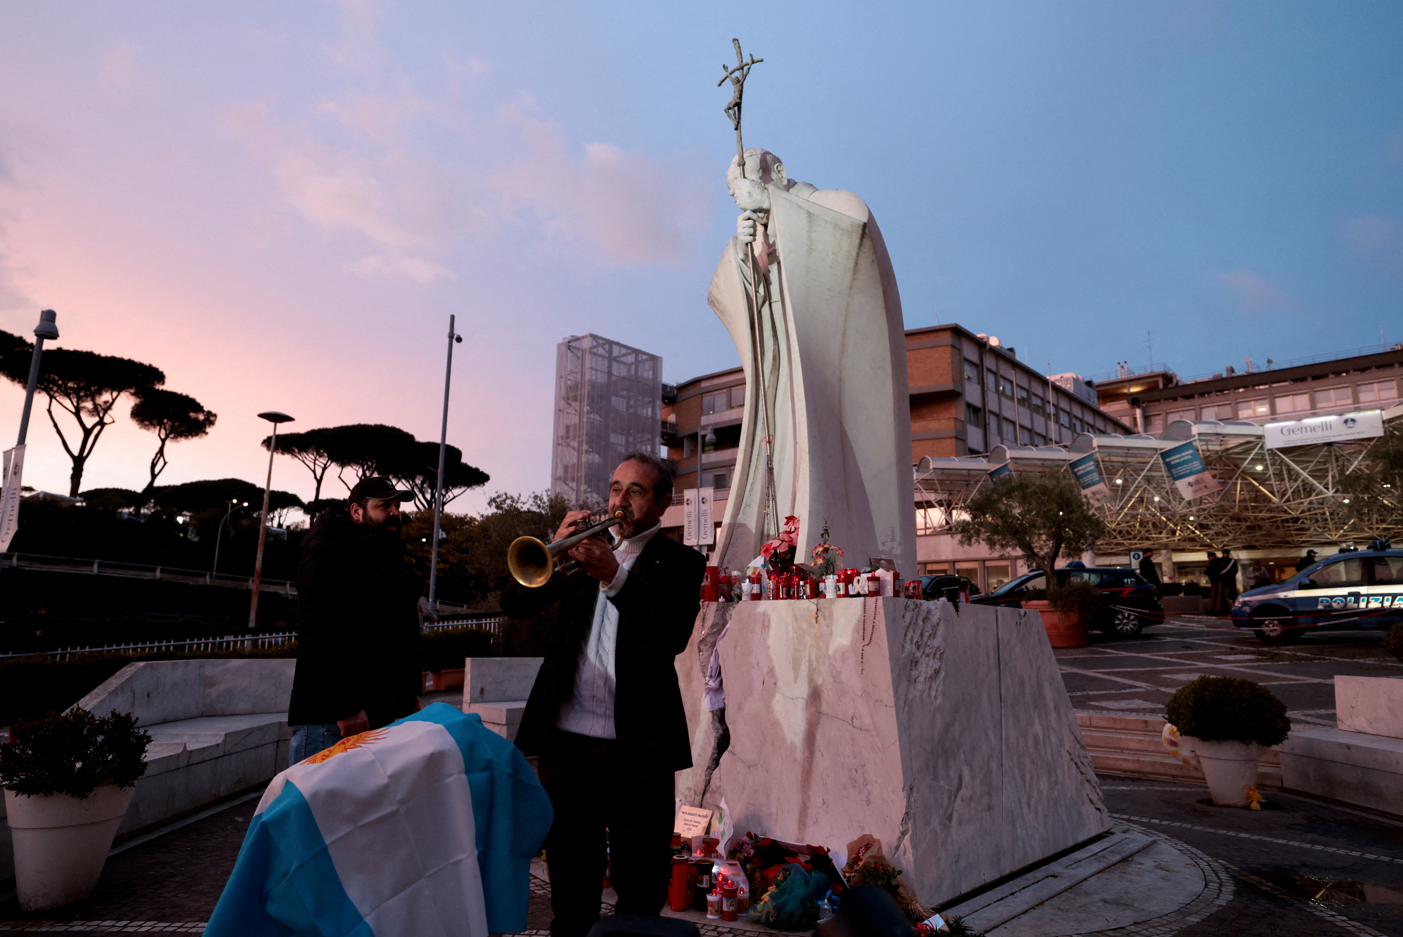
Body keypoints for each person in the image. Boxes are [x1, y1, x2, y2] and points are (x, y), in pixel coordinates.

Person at [501, 454, 705, 937]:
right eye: (615, 488)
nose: (619, 501)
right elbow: (514, 605)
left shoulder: (682, 563)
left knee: (640, 878)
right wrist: (553, 548)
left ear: (661, 504)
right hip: (567, 744)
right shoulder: (580, 551)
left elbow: (669, 636)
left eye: (635, 491)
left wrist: (614, 575)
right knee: (571, 876)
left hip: (640, 748)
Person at [707, 148, 916, 578]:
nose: (745, 199)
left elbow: (855, 227)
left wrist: (774, 207)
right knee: (783, 456)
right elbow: (752, 311)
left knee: (824, 462)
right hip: (782, 376)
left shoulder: (827, 206)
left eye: (751, 186)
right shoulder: (768, 234)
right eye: (736, 195)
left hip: (827, 377)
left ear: (778, 173)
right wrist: (747, 261)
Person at [286, 476, 423, 761]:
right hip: (334, 721)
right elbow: (317, 633)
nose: (395, 512)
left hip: (380, 712)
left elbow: (394, 632)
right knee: (319, 806)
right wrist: (345, 706)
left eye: (397, 506)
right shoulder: (327, 552)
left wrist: (408, 694)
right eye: (385, 506)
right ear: (356, 511)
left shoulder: (383, 555)